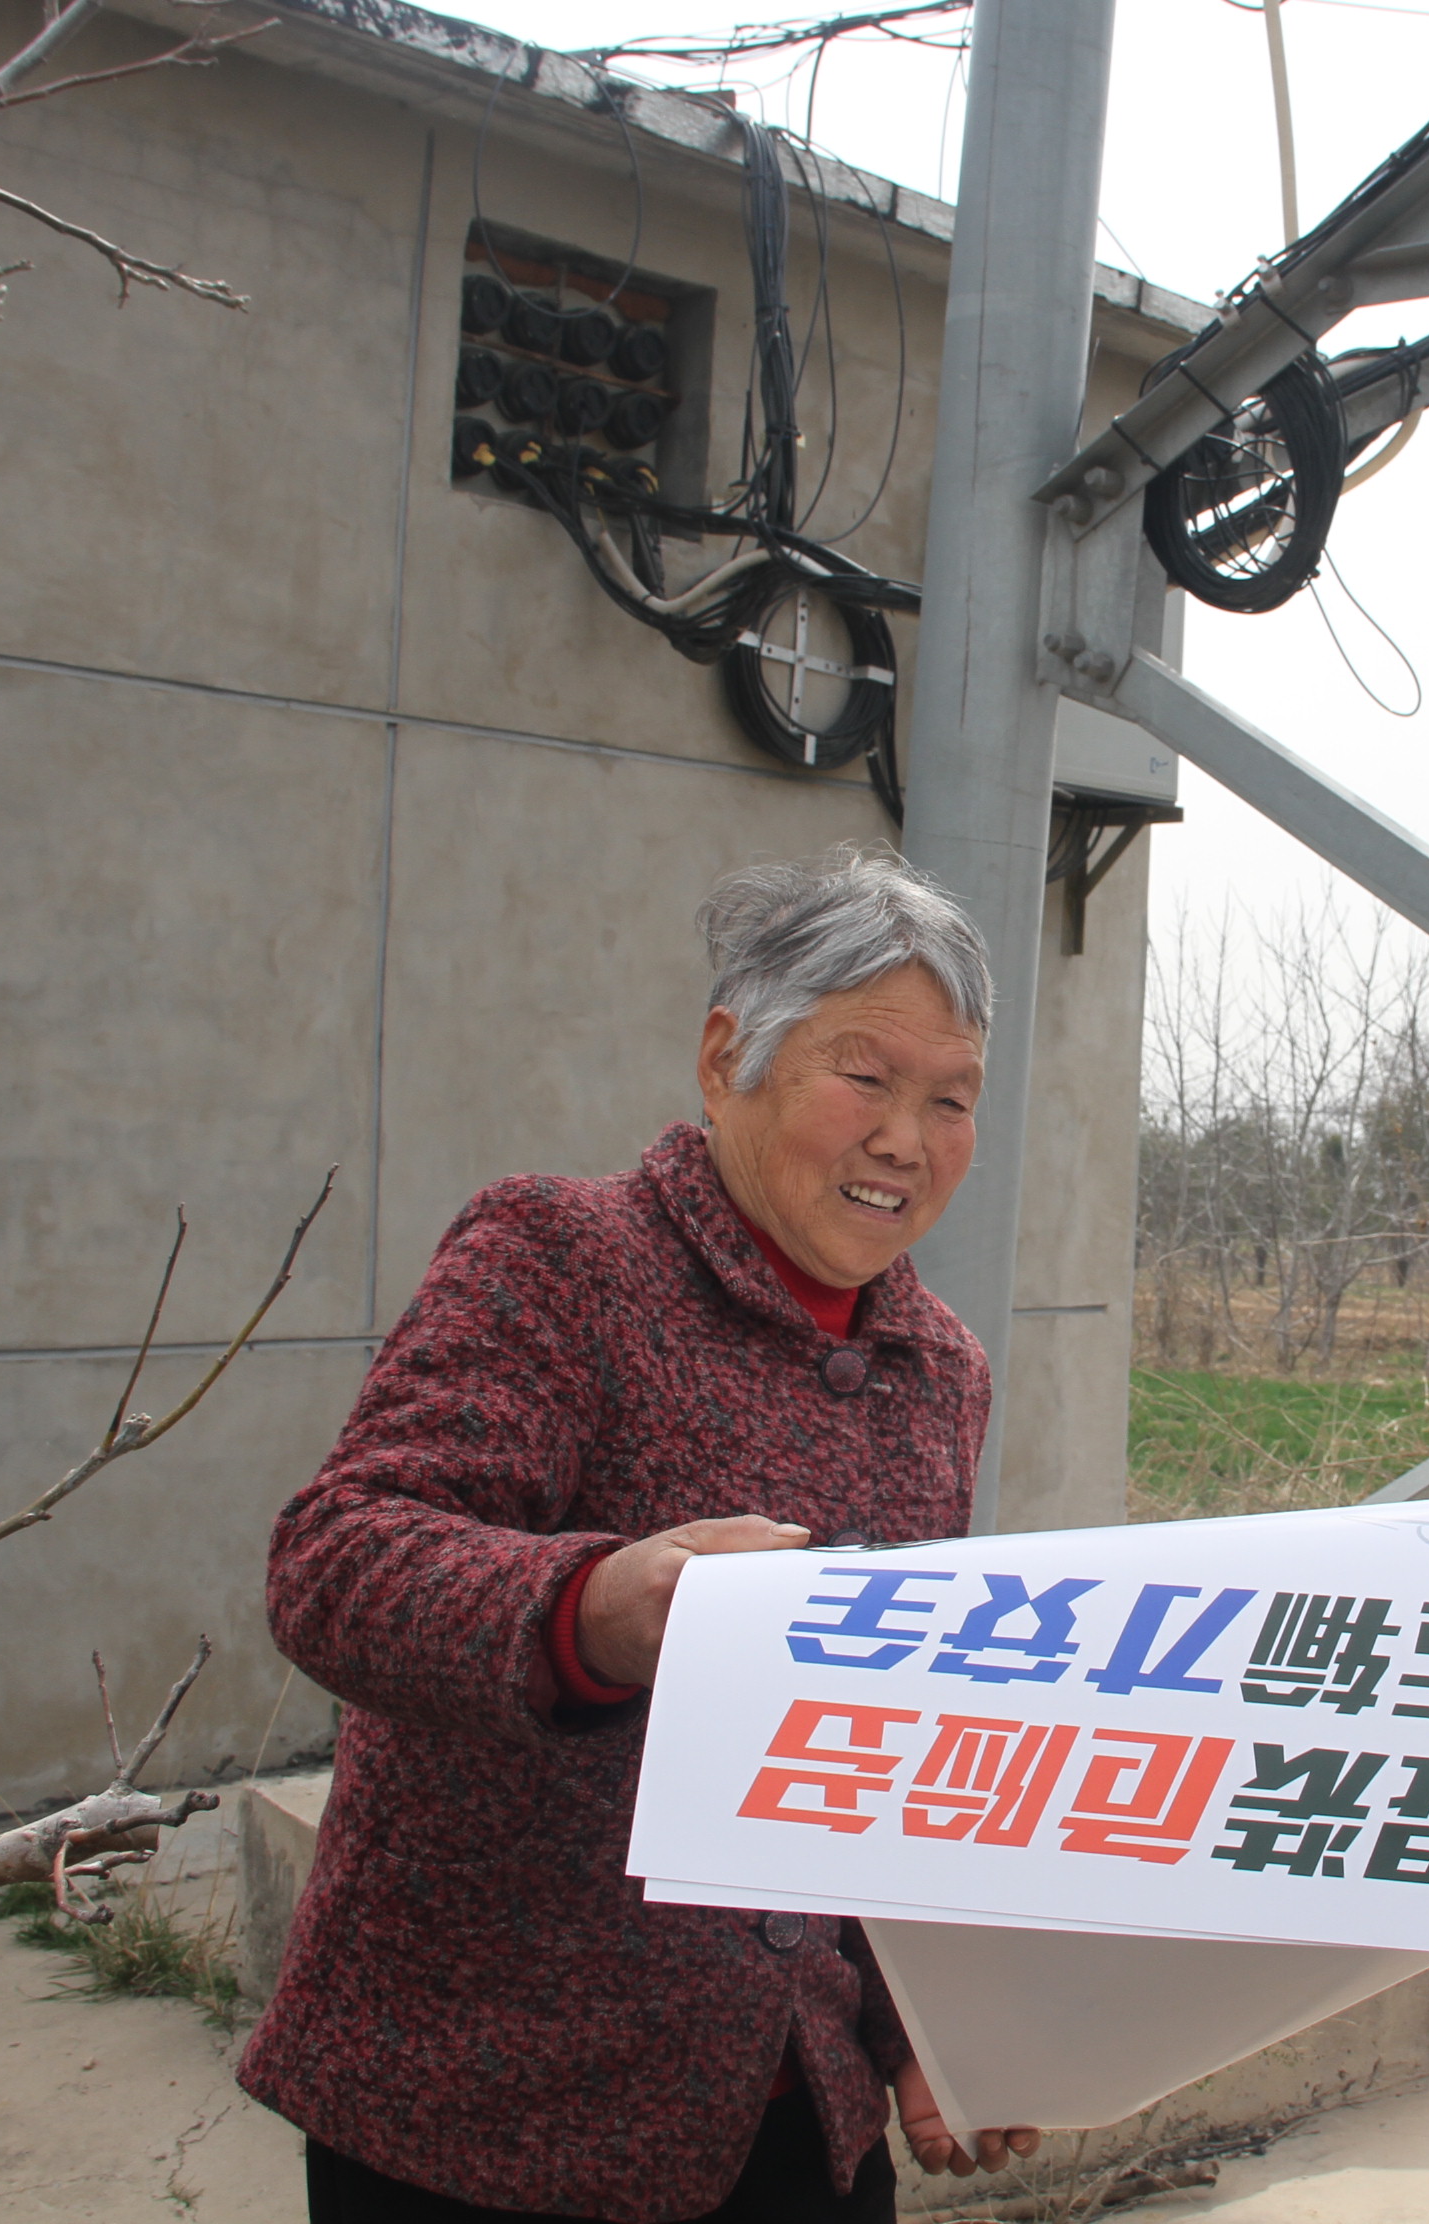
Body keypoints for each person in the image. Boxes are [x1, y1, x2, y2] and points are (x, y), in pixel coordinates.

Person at [240, 847, 1042, 2224]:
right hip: (485, 2110)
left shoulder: (940, 1370)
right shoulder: (563, 1256)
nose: (906, 1141)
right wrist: (596, 1609)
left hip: (793, 2112)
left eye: (951, 1099)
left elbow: (876, 1749)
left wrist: (920, 2025)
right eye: (865, 1077)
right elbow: (337, 1559)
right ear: (728, 1058)